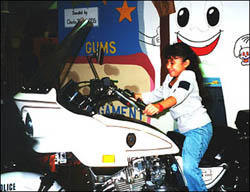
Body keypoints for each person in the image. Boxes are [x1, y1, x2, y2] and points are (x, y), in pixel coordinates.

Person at [134, 42, 213, 191]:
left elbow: (178, 96)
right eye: (167, 62)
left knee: (189, 168)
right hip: (185, 130)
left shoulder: (188, 76)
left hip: (199, 129)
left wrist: (159, 106)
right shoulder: (170, 80)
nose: (169, 66)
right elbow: (156, 94)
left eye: (172, 62)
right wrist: (136, 96)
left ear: (186, 63)